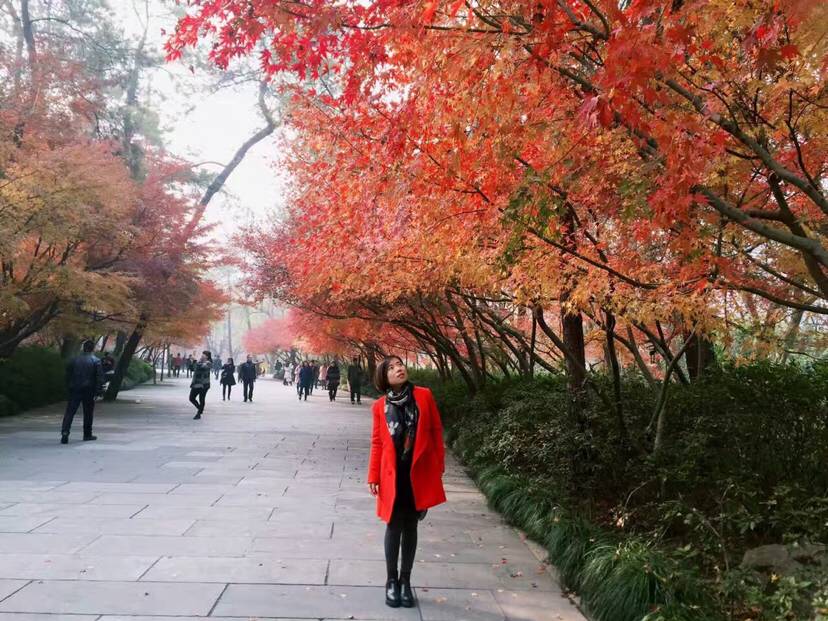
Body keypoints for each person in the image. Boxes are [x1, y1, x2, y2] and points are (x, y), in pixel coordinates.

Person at [367, 356, 446, 609]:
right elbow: (377, 442)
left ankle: (405, 581)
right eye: (391, 367)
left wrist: (438, 466)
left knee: (411, 526)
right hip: (392, 475)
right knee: (393, 526)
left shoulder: (424, 396)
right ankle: (391, 581)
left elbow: (435, 431)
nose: (398, 369)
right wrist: (373, 475)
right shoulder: (379, 406)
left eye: (399, 364)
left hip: (418, 472)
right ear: (384, 377)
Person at [60, 340, 104, 444]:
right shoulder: (96, 361)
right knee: (88, 413)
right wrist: (98, 391)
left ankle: (65, 432)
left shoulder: (74, 360)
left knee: (70, 412)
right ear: (93, 349)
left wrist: (68, 387)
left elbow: (67, 375)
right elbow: (99, 377)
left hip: (74, 388)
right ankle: (87, 434)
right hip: (89, 389)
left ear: (83, 348)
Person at [189, 351, 212, 420]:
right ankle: (200, 409)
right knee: (191, 398)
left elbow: (202, 367)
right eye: (202, 354)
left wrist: (195, 361)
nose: (202, 356)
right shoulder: (199, 362)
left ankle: (198, 414)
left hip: (204, 384)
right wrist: (192, 362)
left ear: (207, 356)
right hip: (196, 383)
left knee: (201, 399)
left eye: (204, 355)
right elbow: (192, 369)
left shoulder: (208, 363)